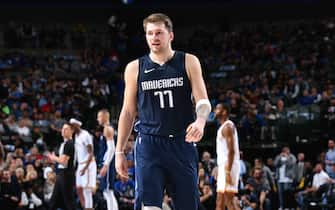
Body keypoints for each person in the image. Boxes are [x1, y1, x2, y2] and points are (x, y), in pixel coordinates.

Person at [115, 13, 211, 210]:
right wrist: (119, 151)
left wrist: (201, 120)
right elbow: (127, 112)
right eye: (150, 33)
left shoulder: (188, 61)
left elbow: (203, 100)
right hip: (149, 144)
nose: (154, 37)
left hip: (181, 143)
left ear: (171, 35)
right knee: (149, 207)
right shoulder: (135, 68)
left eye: (159, 33)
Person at [214, 103, 240, 210]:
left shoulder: (227, 127)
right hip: (224, 166)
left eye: (217, 109)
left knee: (229, 201)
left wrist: (228, 171)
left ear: (224, 112)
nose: (215, 110)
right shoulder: (224, 127)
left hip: (228, 166)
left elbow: (231, 151)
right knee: (220, 201)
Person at [47, 122, 75, 210]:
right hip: (61, 174)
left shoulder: (69, 144)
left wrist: (53, 157)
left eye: (66, 129)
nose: (63, 130)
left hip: (66, 175)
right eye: (62, 129)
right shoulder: (64, 144)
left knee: (68, 202)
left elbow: (63, 162)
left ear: (72, 131)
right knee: (54, 201)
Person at [70, 118, 97, 210]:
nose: (72, 127)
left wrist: (85, 167)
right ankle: (85, 207)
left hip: (88, 164)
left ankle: (89, 207)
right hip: (81, 164)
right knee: (79, 188)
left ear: (78, 125)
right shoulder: (76, 136)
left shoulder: (85, 135)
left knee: (87, 190)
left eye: (73, 125)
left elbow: (91, 153)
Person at [97, 109, 119, 210]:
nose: (97, 119)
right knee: (107, 192)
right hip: (108, 162)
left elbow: (112, 149)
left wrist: (105, 165)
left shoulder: (107, 129)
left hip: (108, 164)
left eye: (99, 116)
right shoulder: (108, 128)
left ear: (105, 117)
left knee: (108, 191)